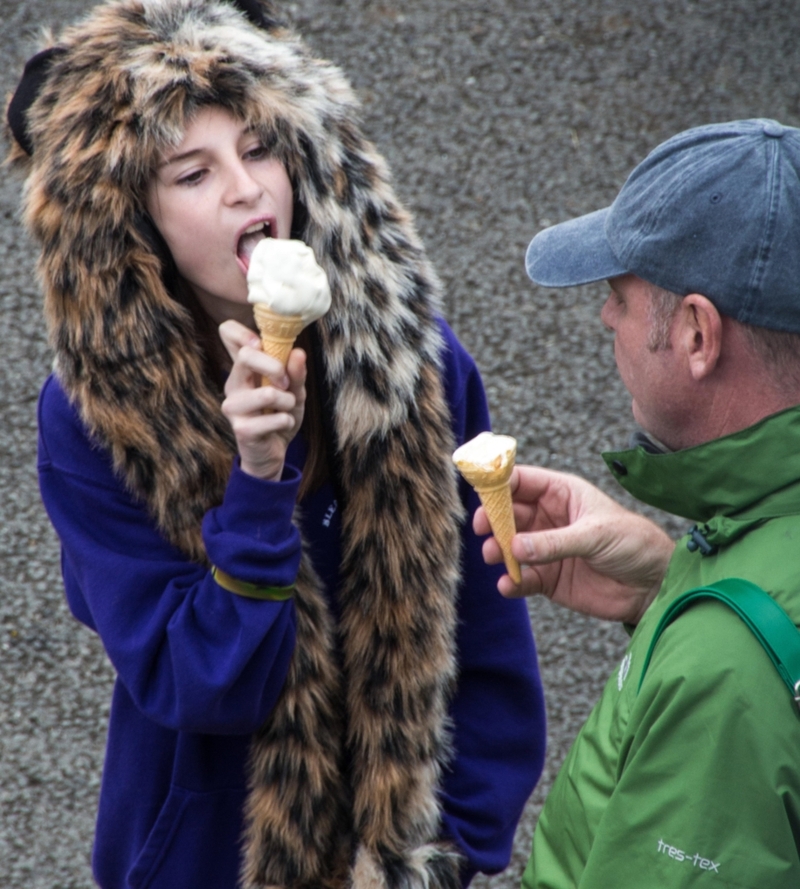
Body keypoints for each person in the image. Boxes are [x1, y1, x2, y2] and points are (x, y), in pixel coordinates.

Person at [4, 2, 546, 887]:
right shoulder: (90, 421)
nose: (248, 189)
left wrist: (452, 847)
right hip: (201, 859)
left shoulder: (416, 361)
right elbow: (197, 682)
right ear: (131, 224)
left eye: (259, 149)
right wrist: (258, 484)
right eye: (193, 172)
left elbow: (486, 627)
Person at [477, 119, 800, 888]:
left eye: (620, 295)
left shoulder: (726, 675)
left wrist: (717, 628)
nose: (606, 319)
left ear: (697, 333)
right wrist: (668, 588)